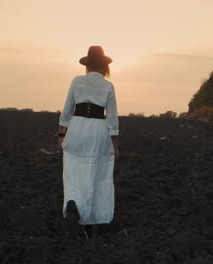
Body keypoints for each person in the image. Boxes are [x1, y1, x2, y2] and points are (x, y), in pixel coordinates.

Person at [58, 46, 119, 239]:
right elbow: (112, 121)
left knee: (74, 172)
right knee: (96, 175)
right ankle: (89, 225)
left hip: (77, 129)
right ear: (104, 66)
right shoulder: (108, 86)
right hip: (98, 131)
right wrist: (115, 146)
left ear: (88, 65)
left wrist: (62, 136)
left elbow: (66, 112)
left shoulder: (77, 81)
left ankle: (73, 202)